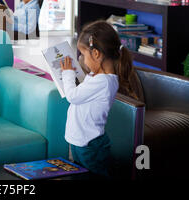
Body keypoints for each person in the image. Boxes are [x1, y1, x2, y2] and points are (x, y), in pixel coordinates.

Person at [59, 20, 140, 177]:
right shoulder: (97, 77)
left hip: (90, 145)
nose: (82, 58)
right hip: (81, 140)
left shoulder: (103, 81)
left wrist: (67, 74)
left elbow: (73, 96)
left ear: (96, 54)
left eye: (83, 54)